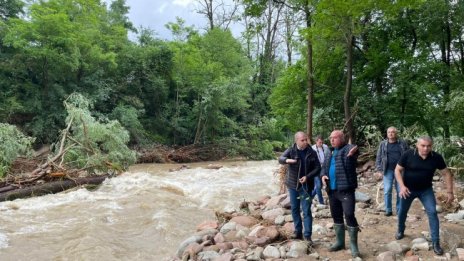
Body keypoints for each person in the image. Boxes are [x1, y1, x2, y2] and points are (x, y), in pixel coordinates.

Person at [394, 136, 454, 256]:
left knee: (432, 212)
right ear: (417, 145)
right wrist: (402, 186)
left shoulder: (436, 157)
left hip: (425, 190)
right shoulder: (408, 154)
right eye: (423, 145)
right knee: (402, 211)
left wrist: (450, 192)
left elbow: (446, 173)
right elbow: (397, 170)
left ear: (431, 146)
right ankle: (400, 230)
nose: (426, 148)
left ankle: (436, 242)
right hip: (408, 189)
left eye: (428, 146)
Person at [321, 130, 360, 258]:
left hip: (346, 190)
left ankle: (354, 246)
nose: (332, 140)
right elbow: (323, 168)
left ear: (342, 138)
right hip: (332, 190)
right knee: (336, 216)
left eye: (335, 138)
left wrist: (355, 149)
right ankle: (340, 242)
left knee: (349, 214)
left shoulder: (347, 149)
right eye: (330, 138)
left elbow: (354, 148)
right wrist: (323, 176)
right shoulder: (329, 151)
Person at [279, 131, 321, 243]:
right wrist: (287, 160)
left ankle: (307, 236)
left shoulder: (311, 152)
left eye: (306, 139)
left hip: (306, 187)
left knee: (306, 210)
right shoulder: (291, 150)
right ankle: (298, 232)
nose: (305, 142)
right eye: (302, 140)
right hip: (293, 186)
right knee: (295, 209)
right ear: (296, 141)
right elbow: (280, 159)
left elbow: (318, 168)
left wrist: (307, 177)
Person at [375, 126, 409, 216]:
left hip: (401, 170)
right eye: (389, 132)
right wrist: (379, 169)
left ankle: (399, 210)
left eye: (392, 132)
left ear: (396, 133)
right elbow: (379, 156)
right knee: (387, 190)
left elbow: (408, 155)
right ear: (387, 134)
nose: (390, 134)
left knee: (400, 190)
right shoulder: (383, 144)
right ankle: (388, 210)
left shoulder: (402, 143)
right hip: (387, 170)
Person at [311, 135, 330, 205]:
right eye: (319, 142)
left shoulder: (326, 147)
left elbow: (328, 156)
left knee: (320, 186)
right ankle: (321, 202)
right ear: (316, 142)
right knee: (318, 186)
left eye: (322, 142)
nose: (321, 144)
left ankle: (310, 197)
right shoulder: (312, 148)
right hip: (316, 169)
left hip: (324, 168)